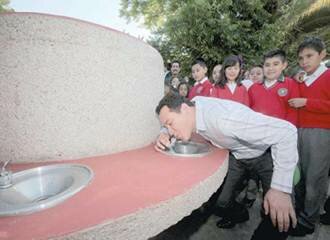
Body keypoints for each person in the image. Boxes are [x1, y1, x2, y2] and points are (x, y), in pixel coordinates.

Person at [154, 94, 297, 240]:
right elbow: (176, 117)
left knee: (279, 215)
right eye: (166, 126)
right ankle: (240, 214)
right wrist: (163, 132)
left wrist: (280, 189)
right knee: (220, 201)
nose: (170, 131)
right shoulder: (193, 106)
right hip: (236, 155)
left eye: (170, 123)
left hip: (265, 156)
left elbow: (287, 131)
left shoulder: (226, 119)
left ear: (184, 109)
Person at [288, 36, 330, 236]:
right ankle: (298, 212)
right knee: (299, 176)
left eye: (309, 56)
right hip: (299, 131)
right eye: (301, 58)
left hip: (321, 133)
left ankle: (308, 221)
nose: (304, 61)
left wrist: (307, 102)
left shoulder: (328, 76)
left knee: (315, 178)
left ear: (322, 55)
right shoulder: (302, 77)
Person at [249, 49, 299, 126]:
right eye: (267, 65)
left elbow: (293, 112)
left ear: (284, 65)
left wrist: (287, 130)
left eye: (275, 64)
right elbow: (248, 111)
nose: (270, 68)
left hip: (280, 132)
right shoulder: (253, 88)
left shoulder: (291, 84)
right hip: (256, 130)